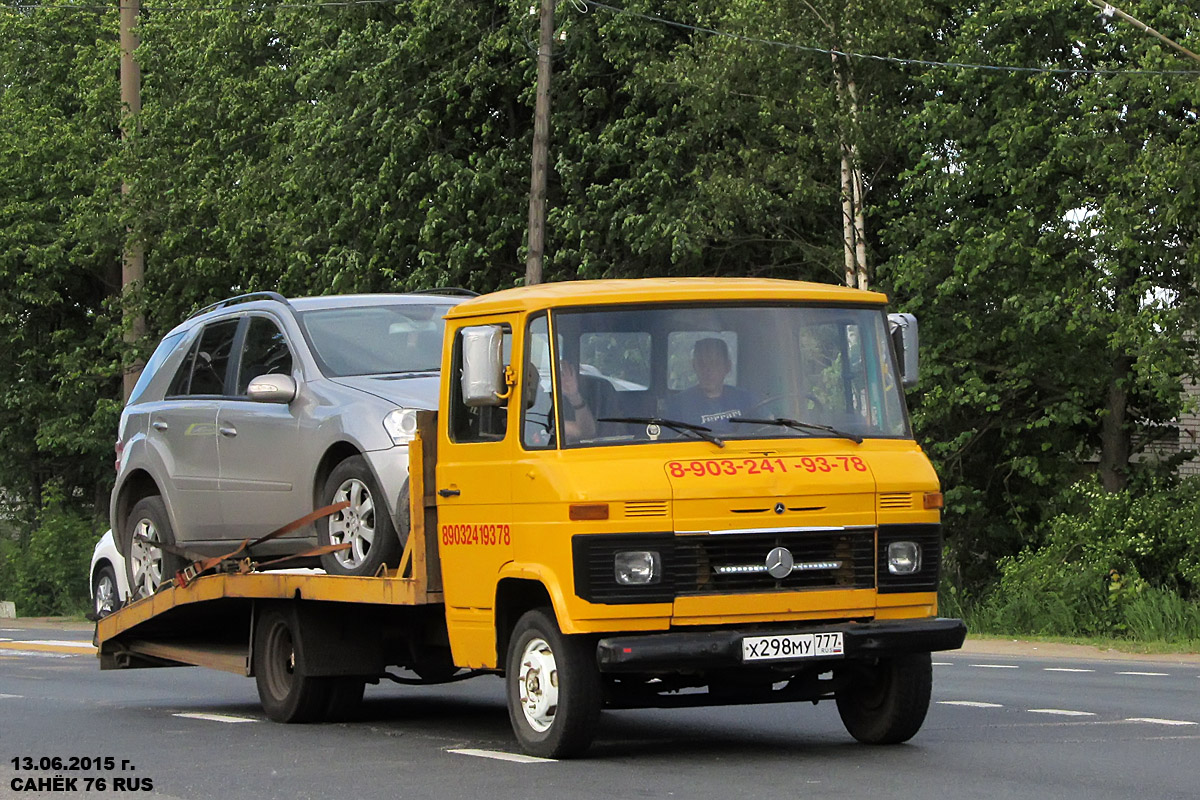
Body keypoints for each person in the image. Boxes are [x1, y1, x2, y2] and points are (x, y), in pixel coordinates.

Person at [664, 337, 754, 432]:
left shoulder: (745, 399)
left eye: (714, 363)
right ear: (694, 366)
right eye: (702, 364)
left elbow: (765, 429)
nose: (708, 370)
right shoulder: (679, 404)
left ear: (727, 366)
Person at [522, 359, 595, 446]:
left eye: (537, 382)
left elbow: (584, 432)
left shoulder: (543, 413)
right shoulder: (506, 421)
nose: (540, 388)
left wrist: (574, 396)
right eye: (529, 384)